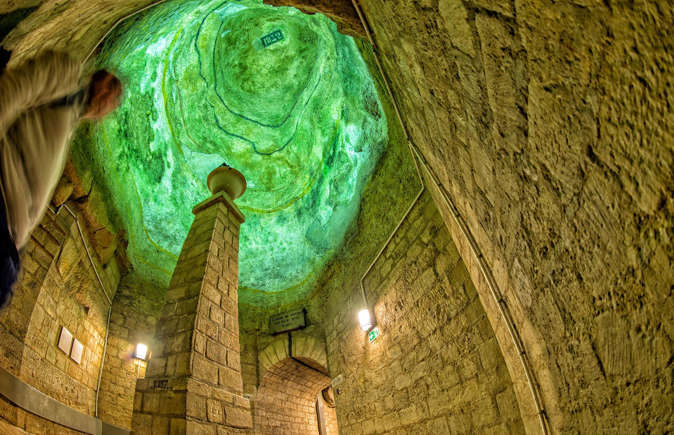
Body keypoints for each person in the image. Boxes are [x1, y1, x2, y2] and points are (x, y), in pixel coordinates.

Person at [0, 51, 122, 308]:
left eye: (114, 101)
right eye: (111, 89)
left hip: (11, 234)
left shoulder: (70, 122)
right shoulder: (66, 74)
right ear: (101, 80)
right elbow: (12, 91)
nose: (108, 102)